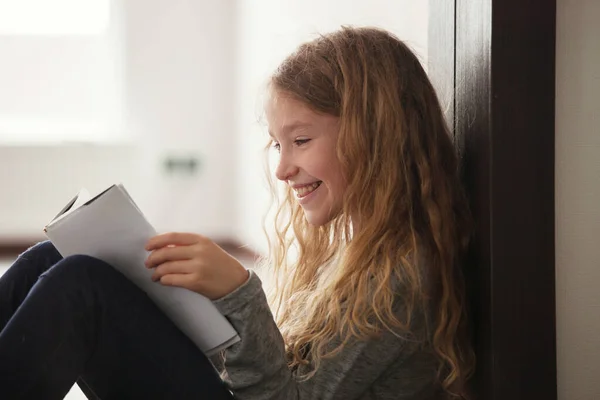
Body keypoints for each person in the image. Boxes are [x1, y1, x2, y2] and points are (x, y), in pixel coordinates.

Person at [0, 26, 474, 399]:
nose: (284, 168)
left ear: (376, 136)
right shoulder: (361, 253)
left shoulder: (402, 273)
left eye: (301, 141)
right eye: (277, 144)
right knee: (51, 258)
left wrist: (238, 292)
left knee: (82, 285)